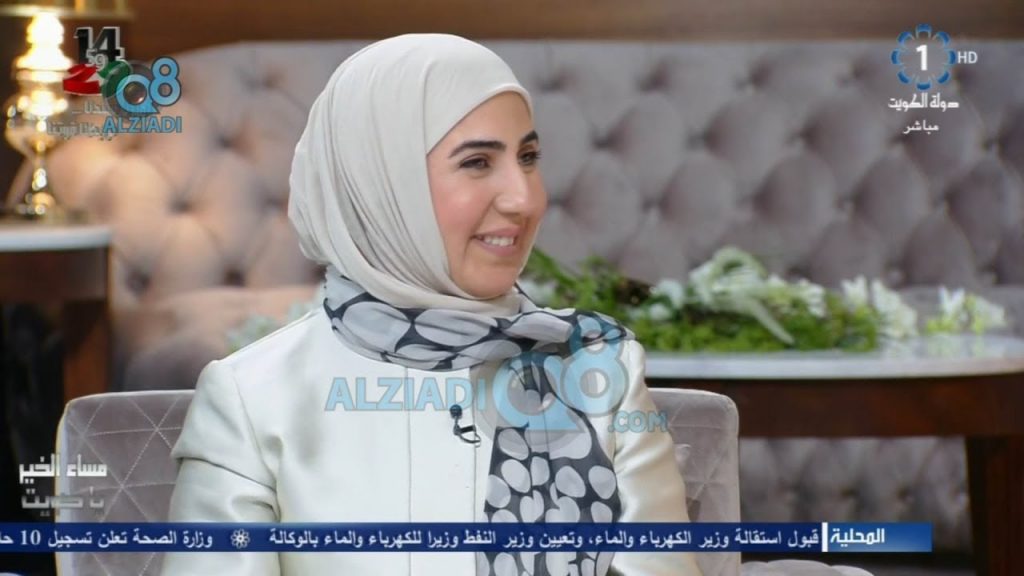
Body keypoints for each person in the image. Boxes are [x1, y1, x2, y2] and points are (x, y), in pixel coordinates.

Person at [161, 33, 702, 576]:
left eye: (528, 157)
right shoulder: (253, 397)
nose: (524, 198)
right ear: (381, 185)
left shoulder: (598, 368)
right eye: (477, 162)